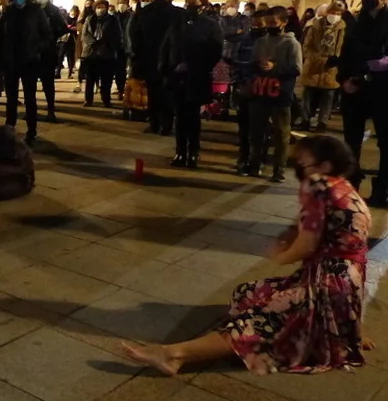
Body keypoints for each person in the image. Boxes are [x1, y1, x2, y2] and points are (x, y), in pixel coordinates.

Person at [123, 135, 370, 376]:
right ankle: (324, 329)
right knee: (246, 293)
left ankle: (175, 355)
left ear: (324, 166)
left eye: (303, 163)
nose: (299, 168)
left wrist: (281, 256)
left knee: (262, 321)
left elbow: (306, 245)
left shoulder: (318, 185)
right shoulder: (344, 186)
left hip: (325, 285)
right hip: (344, 286)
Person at [337, 0, 388, 204]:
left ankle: (381, 190)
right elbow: (347, 52)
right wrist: (344, 79)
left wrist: (379, 64)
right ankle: (351, 184)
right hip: (356, 86)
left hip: (383, 88)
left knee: (385, 142)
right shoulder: (359, 22)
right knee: (352, 140)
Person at [158, 0, 223, 168]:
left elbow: (215, 52)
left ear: (204, 6)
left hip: (196, 77)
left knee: (193, 117)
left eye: (196, 5)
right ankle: (180, 151)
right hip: (176, 76)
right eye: (189, 4)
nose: (191, 8)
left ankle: (193, 152)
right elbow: (166, 46)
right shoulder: (178, 24)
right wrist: (166, 68)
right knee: (179, 116)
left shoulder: (211, 26)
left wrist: (195, 66)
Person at [0, 0, 52, 146]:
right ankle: (10, 127)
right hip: (10, 61)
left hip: (29, 61)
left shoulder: (36, 11)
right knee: (11, 97)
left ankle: (31, 130)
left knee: (29, 97)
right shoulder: (7, 12)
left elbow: (47, 35)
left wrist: (36, 48)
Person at [246, 7, 303, 182]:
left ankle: (279, 169)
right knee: (256, 132)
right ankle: (255, 164)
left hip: (280, 94)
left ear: (283, 23)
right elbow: (252, 64)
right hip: (261, 91)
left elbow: (296, 68)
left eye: (274, 23)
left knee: (281, 134)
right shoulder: (261, 42)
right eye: (268, 23)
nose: (270, 26)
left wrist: (275, 67)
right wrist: (257, 66)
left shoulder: (291, 43)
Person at [129, 0, 179, 135]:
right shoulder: (177, 13)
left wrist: (137, 56)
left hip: (149, 59)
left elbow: (135, 36)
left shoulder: (144, 13)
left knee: (153, 93)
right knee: (168, 94)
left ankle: (154, 123)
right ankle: (167, 124)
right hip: (170, 59)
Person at [229, 10, 265, 174]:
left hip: (262, 90)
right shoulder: (245, 40)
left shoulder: (269, 42)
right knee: (244, 128)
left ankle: (257, 160)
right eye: (254, 24)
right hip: (244, 89)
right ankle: (243, 158)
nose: (256, 27)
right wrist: (239, 82)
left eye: (259, 24)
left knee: (260, 129)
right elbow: (236, 62)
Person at [300, 0, 346, 133]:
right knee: (308, 96)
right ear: (327, 13)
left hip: (331, 68)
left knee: (328, 96)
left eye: (338, 13)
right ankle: (305, 120)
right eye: (333, 12)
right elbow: (306, 47)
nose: (335, 15)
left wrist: (337, 59)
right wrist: (319, 59)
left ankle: (322, 122)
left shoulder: (343, 29)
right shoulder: (315, 27)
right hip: (313, 66)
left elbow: (344, 47)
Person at [81, 0, 123, 108]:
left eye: (103, 7)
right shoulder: (89, 19)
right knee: (90, 79)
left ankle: (106, 100)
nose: (100, 9)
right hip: (91, 53)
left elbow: (117, 35)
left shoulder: (113, 20)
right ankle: (88, 99)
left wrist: (106, 44)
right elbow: (84, 35)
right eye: (98, 7)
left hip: (107, 54)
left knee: (106, 80)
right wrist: (94, 43)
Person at [36, 0, 68, 121]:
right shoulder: (32, 9)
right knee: (30, 84)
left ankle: (50, 110)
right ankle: (31, 110)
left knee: (48, 83)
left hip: (48, 51)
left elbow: (63, 27)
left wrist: (51, 35)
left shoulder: (54, 11)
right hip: (33, 51)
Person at [114, 0, 133, 97]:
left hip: (127, 46)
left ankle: (124, 89)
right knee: (118, 69)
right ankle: (120, 88)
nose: (122, 5)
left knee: (126, 69)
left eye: (124, 3)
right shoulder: (113, 16)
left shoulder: (131, 16)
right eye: (120, 3)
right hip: (116, 46)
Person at [58, 5, 80, 79]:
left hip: (72, 39)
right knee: (60, 55)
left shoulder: (77, 19)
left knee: (70, 56)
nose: (73, 13)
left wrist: (75, 28)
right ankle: (58, 72)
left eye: (75, 12)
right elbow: (62, 27)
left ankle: (70, 73)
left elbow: (78, 28)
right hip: (64, 38)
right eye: (72, 12)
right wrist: (68, 27)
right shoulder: (65, 18)